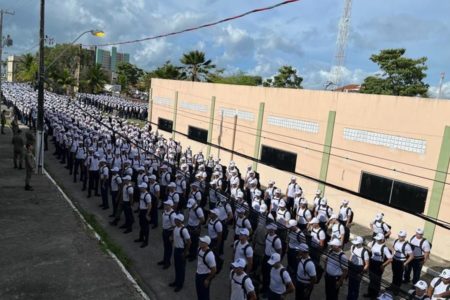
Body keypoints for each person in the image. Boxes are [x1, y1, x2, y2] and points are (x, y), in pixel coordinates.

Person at [364, 233, 393, 298]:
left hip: (378, 265)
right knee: (371, 279)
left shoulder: (384, 248)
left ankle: (374, 295)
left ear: (382, 240)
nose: (377, 240)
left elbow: (390, 259)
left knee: (376, 281)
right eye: (377, 239)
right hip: (372, 262)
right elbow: (369, 246)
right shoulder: (374, 243)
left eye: (379, 240)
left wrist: (383, 265)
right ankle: (370, 293)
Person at [170, 214, 191, 292]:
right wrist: (172, 238)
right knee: (177, 267)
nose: (175, 220)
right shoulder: (176, 227)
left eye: (177, 220)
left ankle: (180, 284)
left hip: (181, 251)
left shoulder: (184, 230)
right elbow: (174, 234)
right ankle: (176, 281)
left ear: (180, 221)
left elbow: (189, 242)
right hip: (176, 249)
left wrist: (185, 253)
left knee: (181, 269)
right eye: (175, 219)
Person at [261, 223, 283, 296]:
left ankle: (267, 291)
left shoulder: (277, 240)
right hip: (266, 257)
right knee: (264, 273)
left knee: (268, 276)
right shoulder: (267, 235)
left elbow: (279, 251)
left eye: (269, 228)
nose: (267, 229)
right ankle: (264, 288)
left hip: (272, 259)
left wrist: (277, 261)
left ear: (273, 230)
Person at [390, 230, 413, 295]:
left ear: (405, 237)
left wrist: (405, 263)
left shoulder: (407, 245)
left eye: (401, 236)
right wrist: (392, 254)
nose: (400, 237)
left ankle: (396, 289)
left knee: (399, 276)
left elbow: (411, 256)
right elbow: (392, 247)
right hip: (394, 260)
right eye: (399, 236)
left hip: (401, 262)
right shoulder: (395, 241)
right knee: (394, 274)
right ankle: (392, 286)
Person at [347, 236, 369, 300]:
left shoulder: (365, 252)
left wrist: (361, 273)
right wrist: (349, 263)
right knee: (350, 285)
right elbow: (352, 255)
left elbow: (367, 264)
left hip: (359, 269)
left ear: (360, 243)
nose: (355, 244)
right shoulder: (353, 247)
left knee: (356, 287)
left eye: (357, 243)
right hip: (352, 267)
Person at [196, 235, 217, 300]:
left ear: (206, 244)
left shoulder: (210, 255)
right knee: (199, 292)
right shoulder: (199, 248)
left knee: (205, 294)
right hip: (198, 273)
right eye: (200, 241)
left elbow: (214, 269)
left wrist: (207, 279)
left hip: (204, 276)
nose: (200, 242)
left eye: (202, 242)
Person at [158, 199, 176, 269]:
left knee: (169, 248)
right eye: (165, 204)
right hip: (165, 231)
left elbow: (174, 226)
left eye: (166, 205)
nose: (165, 205)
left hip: (169, 232)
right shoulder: (165, 211)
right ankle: (164, 259)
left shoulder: (172, 215)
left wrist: (172, 236)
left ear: (170, 206)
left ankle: (167, 262)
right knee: (165, 247)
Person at [135, 183, 151, 248]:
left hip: (145, 211)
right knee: (141, 225)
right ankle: (141, 238)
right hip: (142, 211)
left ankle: (146, 241)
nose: (140, 188)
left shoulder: (147, 195)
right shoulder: (142, 193)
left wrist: (147, 214)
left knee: (145, 228)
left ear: (144, 188)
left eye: (141, 187)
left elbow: (150, 205)